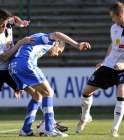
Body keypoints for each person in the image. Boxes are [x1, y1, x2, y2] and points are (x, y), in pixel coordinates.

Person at [8, 31, 91, 137]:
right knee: (49, 92)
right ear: (56, 43)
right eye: (59, 51)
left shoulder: (37, 38)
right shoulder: (48, 40)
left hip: (13, 67)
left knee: (37, 96)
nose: (56, 54)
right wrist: (76, 44)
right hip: (25, 63)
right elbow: (56, 34)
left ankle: (25, 130)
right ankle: (50, 129)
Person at [75, 2, 124, 137]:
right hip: (110, 64)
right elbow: (113, 45)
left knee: (122, 91)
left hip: (123, 66)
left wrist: (123, 65)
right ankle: (85, 117)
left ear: (120, 15)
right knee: (86, 91)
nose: (112, 19)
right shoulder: (114, 28)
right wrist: (104, 62)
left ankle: (115, 129)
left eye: (113, 17)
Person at [0, 8, 35, 100]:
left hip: (12, 66)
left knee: (35, 92)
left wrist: (21, 22)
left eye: (5, 23)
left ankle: (35, 113)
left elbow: (14, 19)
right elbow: (4, 57)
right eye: (1, 24)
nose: (4, 27)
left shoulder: (7, 23)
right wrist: (20, 43)